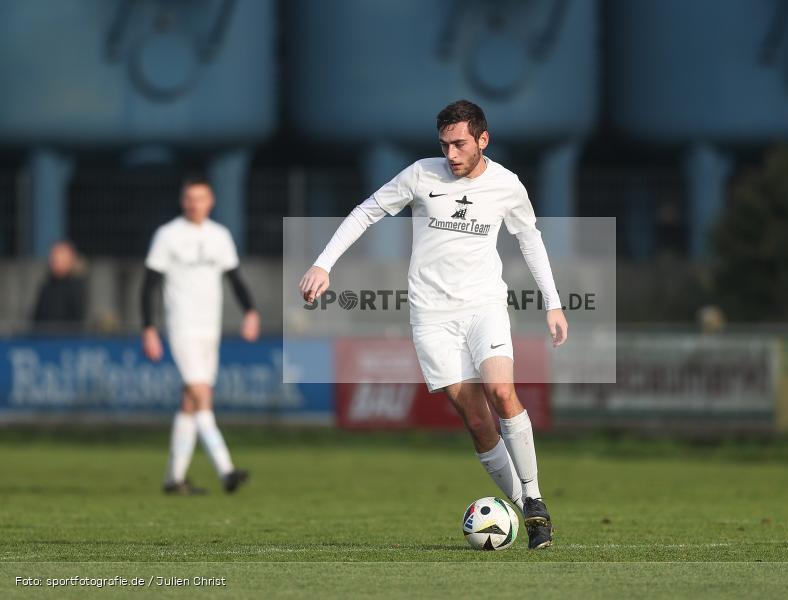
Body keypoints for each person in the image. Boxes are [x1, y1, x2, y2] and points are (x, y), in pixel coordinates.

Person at [299, 100, 568, 549]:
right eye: (444, 145)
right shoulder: (421, 174)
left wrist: (553, 304)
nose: (451, 154)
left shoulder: (507, 185)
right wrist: (324, 264)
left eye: (460, 144)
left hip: (484, 306)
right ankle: (528, 513)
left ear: (483, 139)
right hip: (430, 316)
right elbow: (367, 210)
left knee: (502, 392)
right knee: (477, 420)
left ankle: (535, 498)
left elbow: (530, 238)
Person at [141, 175, 259, 495]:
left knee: (190, 403)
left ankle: (173, 479)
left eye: (201, 198)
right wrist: (148, 328)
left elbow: (235, 278)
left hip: (211, 328)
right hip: (181, 328)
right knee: (202, 395)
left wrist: (250, 311)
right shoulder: (167, 236)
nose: (195, 204)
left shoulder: (220, 236)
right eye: (190, 198)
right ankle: (226, 470)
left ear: (211, 201)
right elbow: (149, 284)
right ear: (183, 201)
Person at [32, 240, 87, 333]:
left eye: (60, 255)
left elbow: (78, 321)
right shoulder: (46, 286)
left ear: (71, 259)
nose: (55, 259)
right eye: (53, 255)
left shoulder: (78, 287)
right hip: (43, 339)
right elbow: (36, 317)